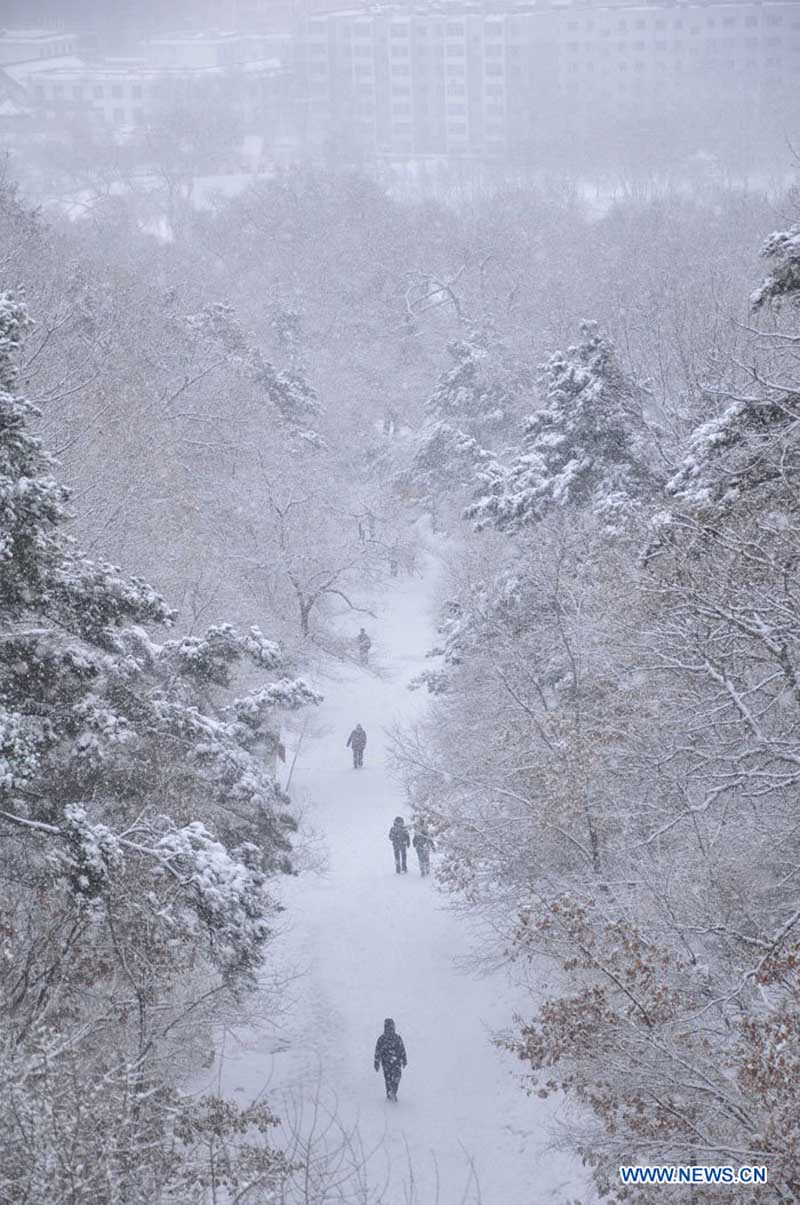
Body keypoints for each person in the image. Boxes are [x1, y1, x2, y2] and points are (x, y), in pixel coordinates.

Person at [373, 1017, 407, 1102]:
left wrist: (404, 1059)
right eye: (388, 1027)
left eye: (391, 1027)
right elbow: (377, 1052)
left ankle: (392, 1092)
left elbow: (402, 1049)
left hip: (395, 1062)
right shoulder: (382, 1039)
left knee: (396, 1077)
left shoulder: (397, 1038)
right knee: (389, 1079)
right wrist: (376, 1063)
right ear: (385, 1027)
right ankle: (390, 1094)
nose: (390, 1029)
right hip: (387, 1062)